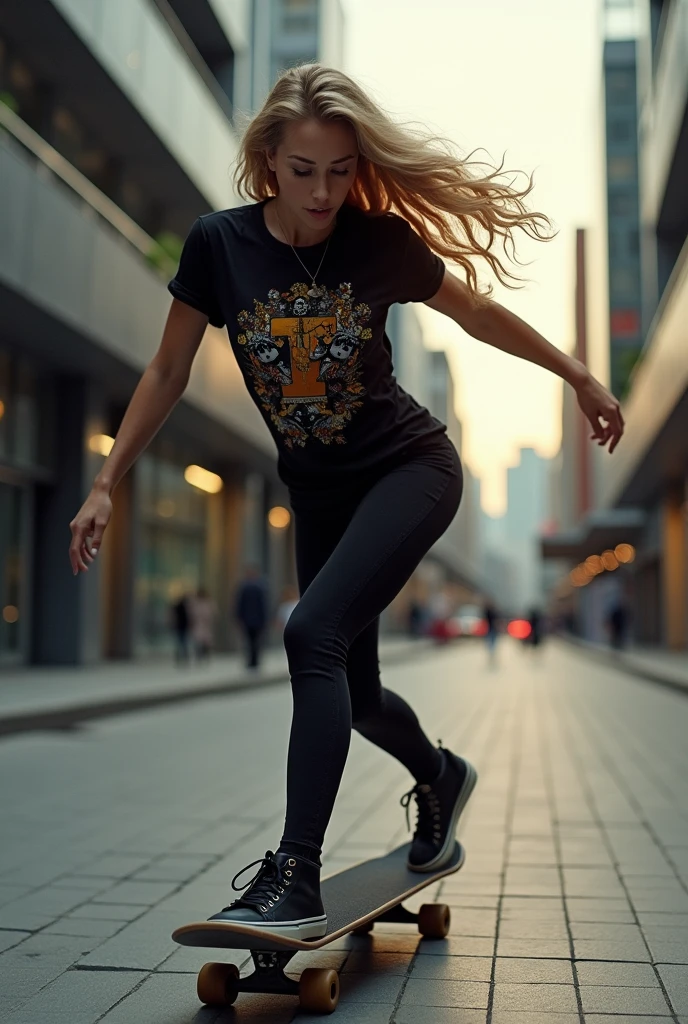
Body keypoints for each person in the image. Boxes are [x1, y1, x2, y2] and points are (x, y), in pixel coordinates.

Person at [68, 64, 624, 940]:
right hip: (320, 494)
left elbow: (475, 314)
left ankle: (295, 874)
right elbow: (168, 370)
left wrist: (577, 372)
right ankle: (439, 775)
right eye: (303, 171)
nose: (324, 192)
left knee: (307, 633)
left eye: (339, 170)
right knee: (355, 694)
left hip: (409, 469)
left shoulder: (380, 243)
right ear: (267, 164)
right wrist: (105, 482)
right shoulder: (219, 245)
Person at [234, 565, 269, 667]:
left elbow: (239, 605)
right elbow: (263, 605)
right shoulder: (259, 587)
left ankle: (252, 661)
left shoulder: (245, 587)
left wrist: (238, 617)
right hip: (255, 620)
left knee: (250, 641)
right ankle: (254, 661)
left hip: (249, 620)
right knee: (255, 641)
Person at [187, 586, 217, 662]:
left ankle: (205, 654)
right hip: (198, 624)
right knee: (198, 640)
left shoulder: (208, 602)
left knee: (205, 641)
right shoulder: (195, 602)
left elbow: (213, 612)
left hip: (205, 624)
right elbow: (191, 613)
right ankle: (200, 655)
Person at [170, 591, 190, 664]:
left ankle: (180, 656)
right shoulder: (183, 607)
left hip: (180, 626)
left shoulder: (179, 607)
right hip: (181, 626)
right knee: (182, 642)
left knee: (180, 642)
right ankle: (182, 656)